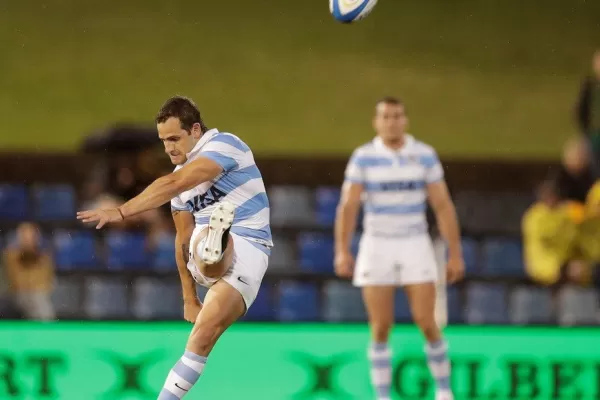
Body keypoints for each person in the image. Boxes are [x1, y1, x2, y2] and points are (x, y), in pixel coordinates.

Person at [77, 96, 272, 399]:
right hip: (200, 249)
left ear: (195, 130)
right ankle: (215, 242)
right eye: (163, 140)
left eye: (174, 138)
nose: (168, 147)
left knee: (202, 339)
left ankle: (217, 242)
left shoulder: (224, 145)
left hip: (252, 246)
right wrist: (189, 298)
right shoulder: (182, 184)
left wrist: (121, 211)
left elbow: (173, 184)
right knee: (204, 240)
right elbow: (182, 239)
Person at [334, 97, 465, 400]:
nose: (392, 122)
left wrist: (455, 253)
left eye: (397, 116)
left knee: (426, 320)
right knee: (380, 326)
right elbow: (349, 205)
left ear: (405, 120)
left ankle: (444, 391)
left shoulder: (423, 155)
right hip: (377, 244)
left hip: (414, 242)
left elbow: (442, 205)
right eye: (386, 116)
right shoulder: (363, 157)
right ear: (376, 122)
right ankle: (383, 395)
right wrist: (342, 249)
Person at [3, 222, 56, 321]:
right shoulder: (10, 255)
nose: (27, 239)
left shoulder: (44, 257)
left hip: (37, 296)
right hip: (15, 296)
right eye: (24, 235)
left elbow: (46, 284)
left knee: (41, 304)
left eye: (30, 235)